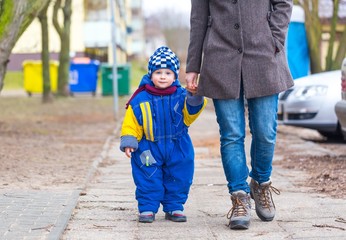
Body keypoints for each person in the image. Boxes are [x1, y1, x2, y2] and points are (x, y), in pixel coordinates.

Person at [185, 0, 294, 230]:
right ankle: (239, 197)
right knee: (231, 134)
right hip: (220, 57)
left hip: (263, 54)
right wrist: (193, 65)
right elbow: (198, 19)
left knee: (266, 131)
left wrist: (275, 38)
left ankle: (261, 183)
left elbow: (283, 3)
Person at [120, 46, 207, 223]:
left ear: (175, 75)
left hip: (178, 145)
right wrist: (129, 141)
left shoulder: (182, 95)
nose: (162, 76)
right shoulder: (141, 98)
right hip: (148, 146)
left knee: (180, 175)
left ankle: (174, 206)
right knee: (147, 176)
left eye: (167, 73)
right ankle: (147, 207)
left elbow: (191, 114)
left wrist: (194, 96)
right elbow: (131, 123)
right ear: (151, 74)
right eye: (158, 72)